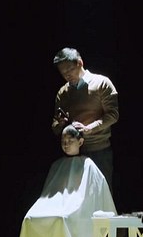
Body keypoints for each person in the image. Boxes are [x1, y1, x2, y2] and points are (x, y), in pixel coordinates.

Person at [11, 125, 117, 237]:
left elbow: (93, 190)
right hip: (56, 204)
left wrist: (77, 204)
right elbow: (49, 193)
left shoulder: (88, 165)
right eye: (63, 141)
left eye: (70, 141)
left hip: (78, 208)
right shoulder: (57, 165)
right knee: (30, 219)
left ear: (80, 142)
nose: (66, 144)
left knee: (63, 219)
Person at [51, 47, 119, 194]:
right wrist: (60, 124)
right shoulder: (63, 93)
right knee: (76, 198)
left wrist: (90, 128)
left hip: (99, 150)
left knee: (101, 195)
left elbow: (113, 114)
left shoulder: (101, 83)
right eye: (63, 73)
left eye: (70, 70)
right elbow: (55, 127)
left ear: (80, 63)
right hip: (73, 154)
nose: (67, 75)